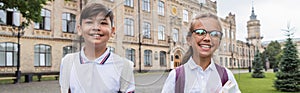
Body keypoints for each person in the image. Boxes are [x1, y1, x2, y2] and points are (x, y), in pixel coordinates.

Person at [59, 3, 135, 93]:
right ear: (79, 29)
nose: (96, 28)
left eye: (103, 23)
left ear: (112, 31)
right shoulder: (68, 62)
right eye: (89, 22)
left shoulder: (125, 67)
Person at [162, 13, 241, 93]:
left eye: (214, 34)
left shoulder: (226, 75)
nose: (207, 38)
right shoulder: (176, 76)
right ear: (189, 40)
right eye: (200, 32)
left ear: (219, 42)